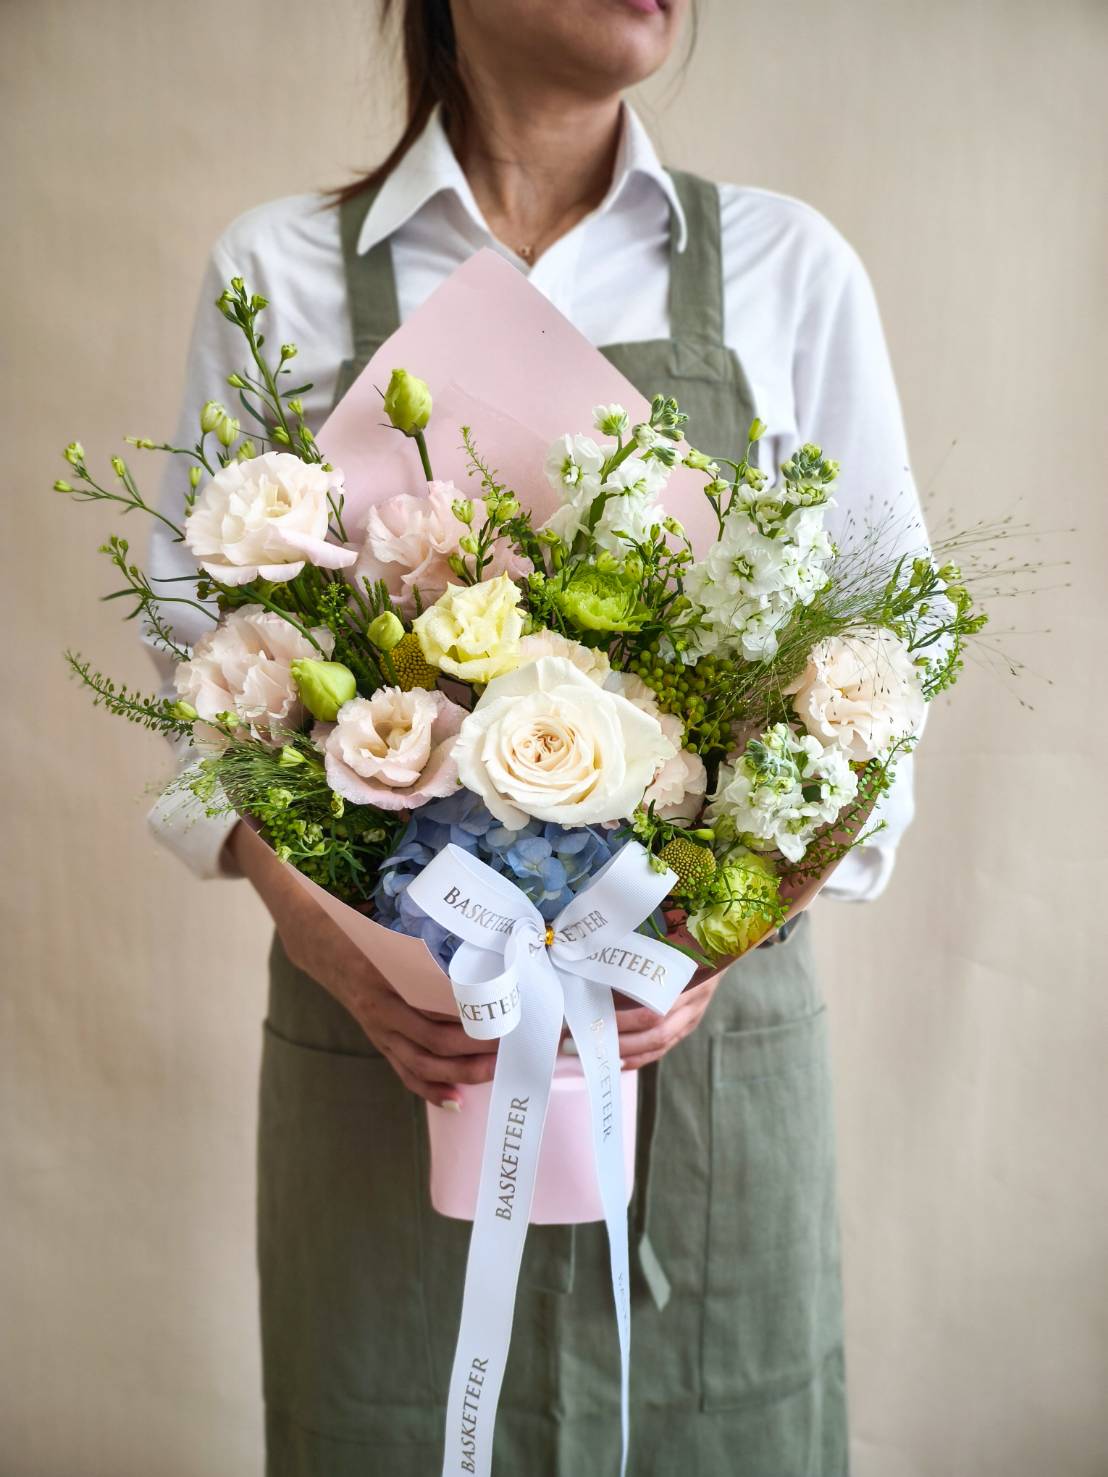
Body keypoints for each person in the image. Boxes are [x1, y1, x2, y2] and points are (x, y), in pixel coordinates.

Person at [147, 1, 924, 1471]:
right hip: (396, 1058)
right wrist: (322, 935)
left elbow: (886, 687)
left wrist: (708, 942)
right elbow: (206, 691)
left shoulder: (785, 268)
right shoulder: (278, 274)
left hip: (697, 1072)